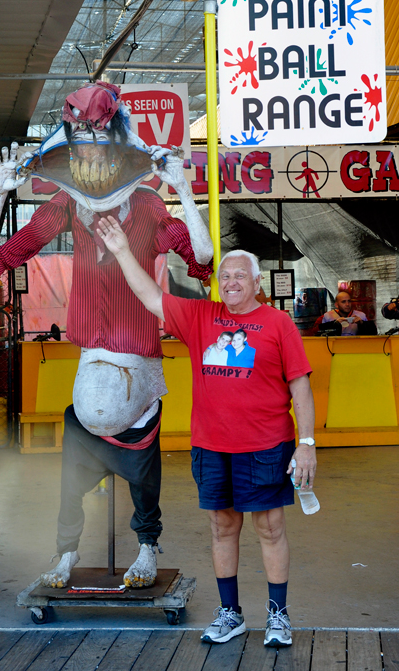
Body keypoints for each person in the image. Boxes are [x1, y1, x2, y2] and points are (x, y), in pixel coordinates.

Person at [0, 81, 213, 590]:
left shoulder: (147, 205)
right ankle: (65, 553)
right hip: (91, 369)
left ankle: (147, 546)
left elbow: (204, 258)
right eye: (79, 136)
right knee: (70, 479)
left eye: (96, 133)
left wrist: (186, 192)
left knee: (144, 479)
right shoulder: (64, 206)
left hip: (138, 365)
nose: (88, 146)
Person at [96, 215, 316, 648]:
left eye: (240, 276)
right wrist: (122, 250)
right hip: (212, 448)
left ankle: (278, 616)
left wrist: (305, 444)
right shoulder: (200, 316)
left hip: (267, 447)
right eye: (225, 275)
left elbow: (300, 385)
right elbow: (150, 296)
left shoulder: (278, 324)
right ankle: (230, 614)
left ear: (257, 283)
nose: (231, 281)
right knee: (221, 528)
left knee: (271, 529)